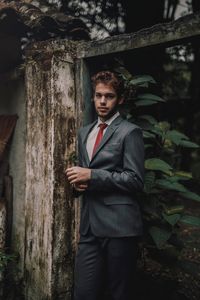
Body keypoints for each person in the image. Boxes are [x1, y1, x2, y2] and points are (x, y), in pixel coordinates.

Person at [65, 70, 145, 300]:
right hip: (90, 226)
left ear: (119, 99)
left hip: (120, 227)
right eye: (98, 95)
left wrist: (92, 175)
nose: (102, 101)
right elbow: (85, 175)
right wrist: (78, 184)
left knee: (118, 293)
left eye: (109, 96)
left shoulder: (130, 132)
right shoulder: (84, 133)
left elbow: (135, 180)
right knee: (83, 292)